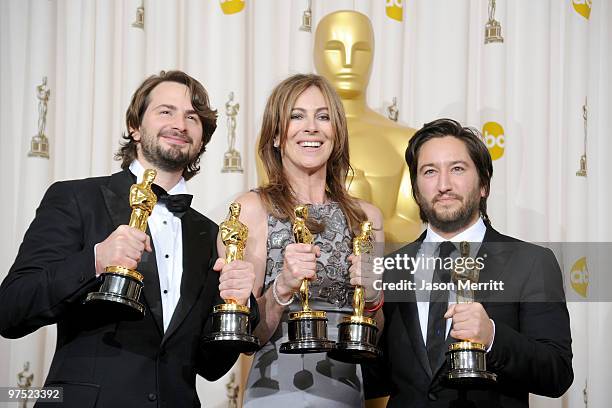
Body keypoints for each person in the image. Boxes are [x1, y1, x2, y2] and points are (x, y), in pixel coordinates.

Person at [0, 70, 258, 407]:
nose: (180, 124)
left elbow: (210, 366)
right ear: (135, 127)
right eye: (166, 111)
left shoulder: (211, 234)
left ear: (202, 138)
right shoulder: (77, 199)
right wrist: (94, 260)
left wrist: (241, 305)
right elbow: (11, 310)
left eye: (192, 117)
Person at [364, 118, 573, 407]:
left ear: (484, 184)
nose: (444, 184)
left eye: (457, 169)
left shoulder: (531, 262)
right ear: (415, 188)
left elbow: (557, 374)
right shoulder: (388, 268)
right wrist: (369, 308)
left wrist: (492, 337)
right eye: (429, 171)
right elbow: (375, 380)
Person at [230, 73, 384, 407]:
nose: (311, 127)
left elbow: (375, 332)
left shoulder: (366, 218)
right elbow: (246, 338)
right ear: (275, 134)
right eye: (296, 116)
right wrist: (282, 287)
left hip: (345, 391)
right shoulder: (251, 210)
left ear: (337, 134)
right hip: (275, 391)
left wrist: (372, 298)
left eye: (323, 116)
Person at [313, 10, 421, 243]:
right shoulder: (286, 138)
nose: (349, 61)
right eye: (334, 48)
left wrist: (363, 220)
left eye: (361, 50)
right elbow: (273, 221)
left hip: (384, 274)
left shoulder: (405, 140)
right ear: (316, 55)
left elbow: (411, 227)